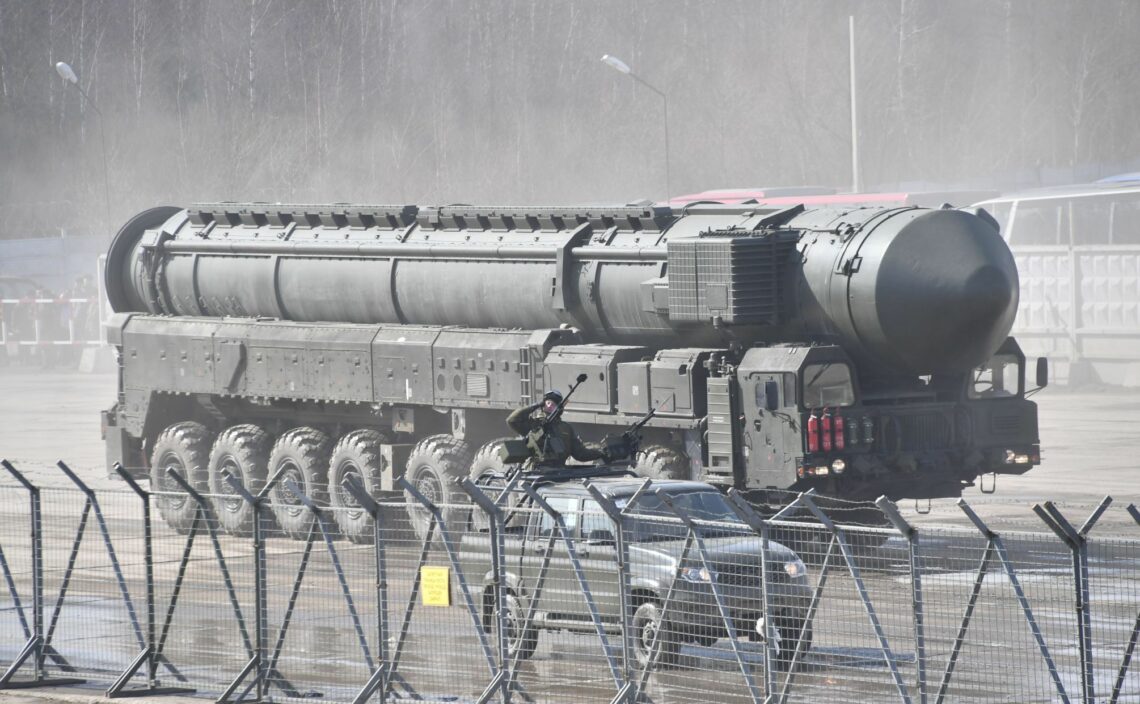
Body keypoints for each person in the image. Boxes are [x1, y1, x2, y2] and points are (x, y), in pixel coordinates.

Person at [506, 389, 605, 467]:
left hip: (559, 472)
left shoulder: (566, 428)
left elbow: (580, 454)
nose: (549, 406)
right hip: (536, 472)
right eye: (547, 403)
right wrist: (536, 405)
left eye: (553, 404)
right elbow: (512, 420)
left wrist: (601, 453)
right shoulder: (534, 424)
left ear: (559, 408)